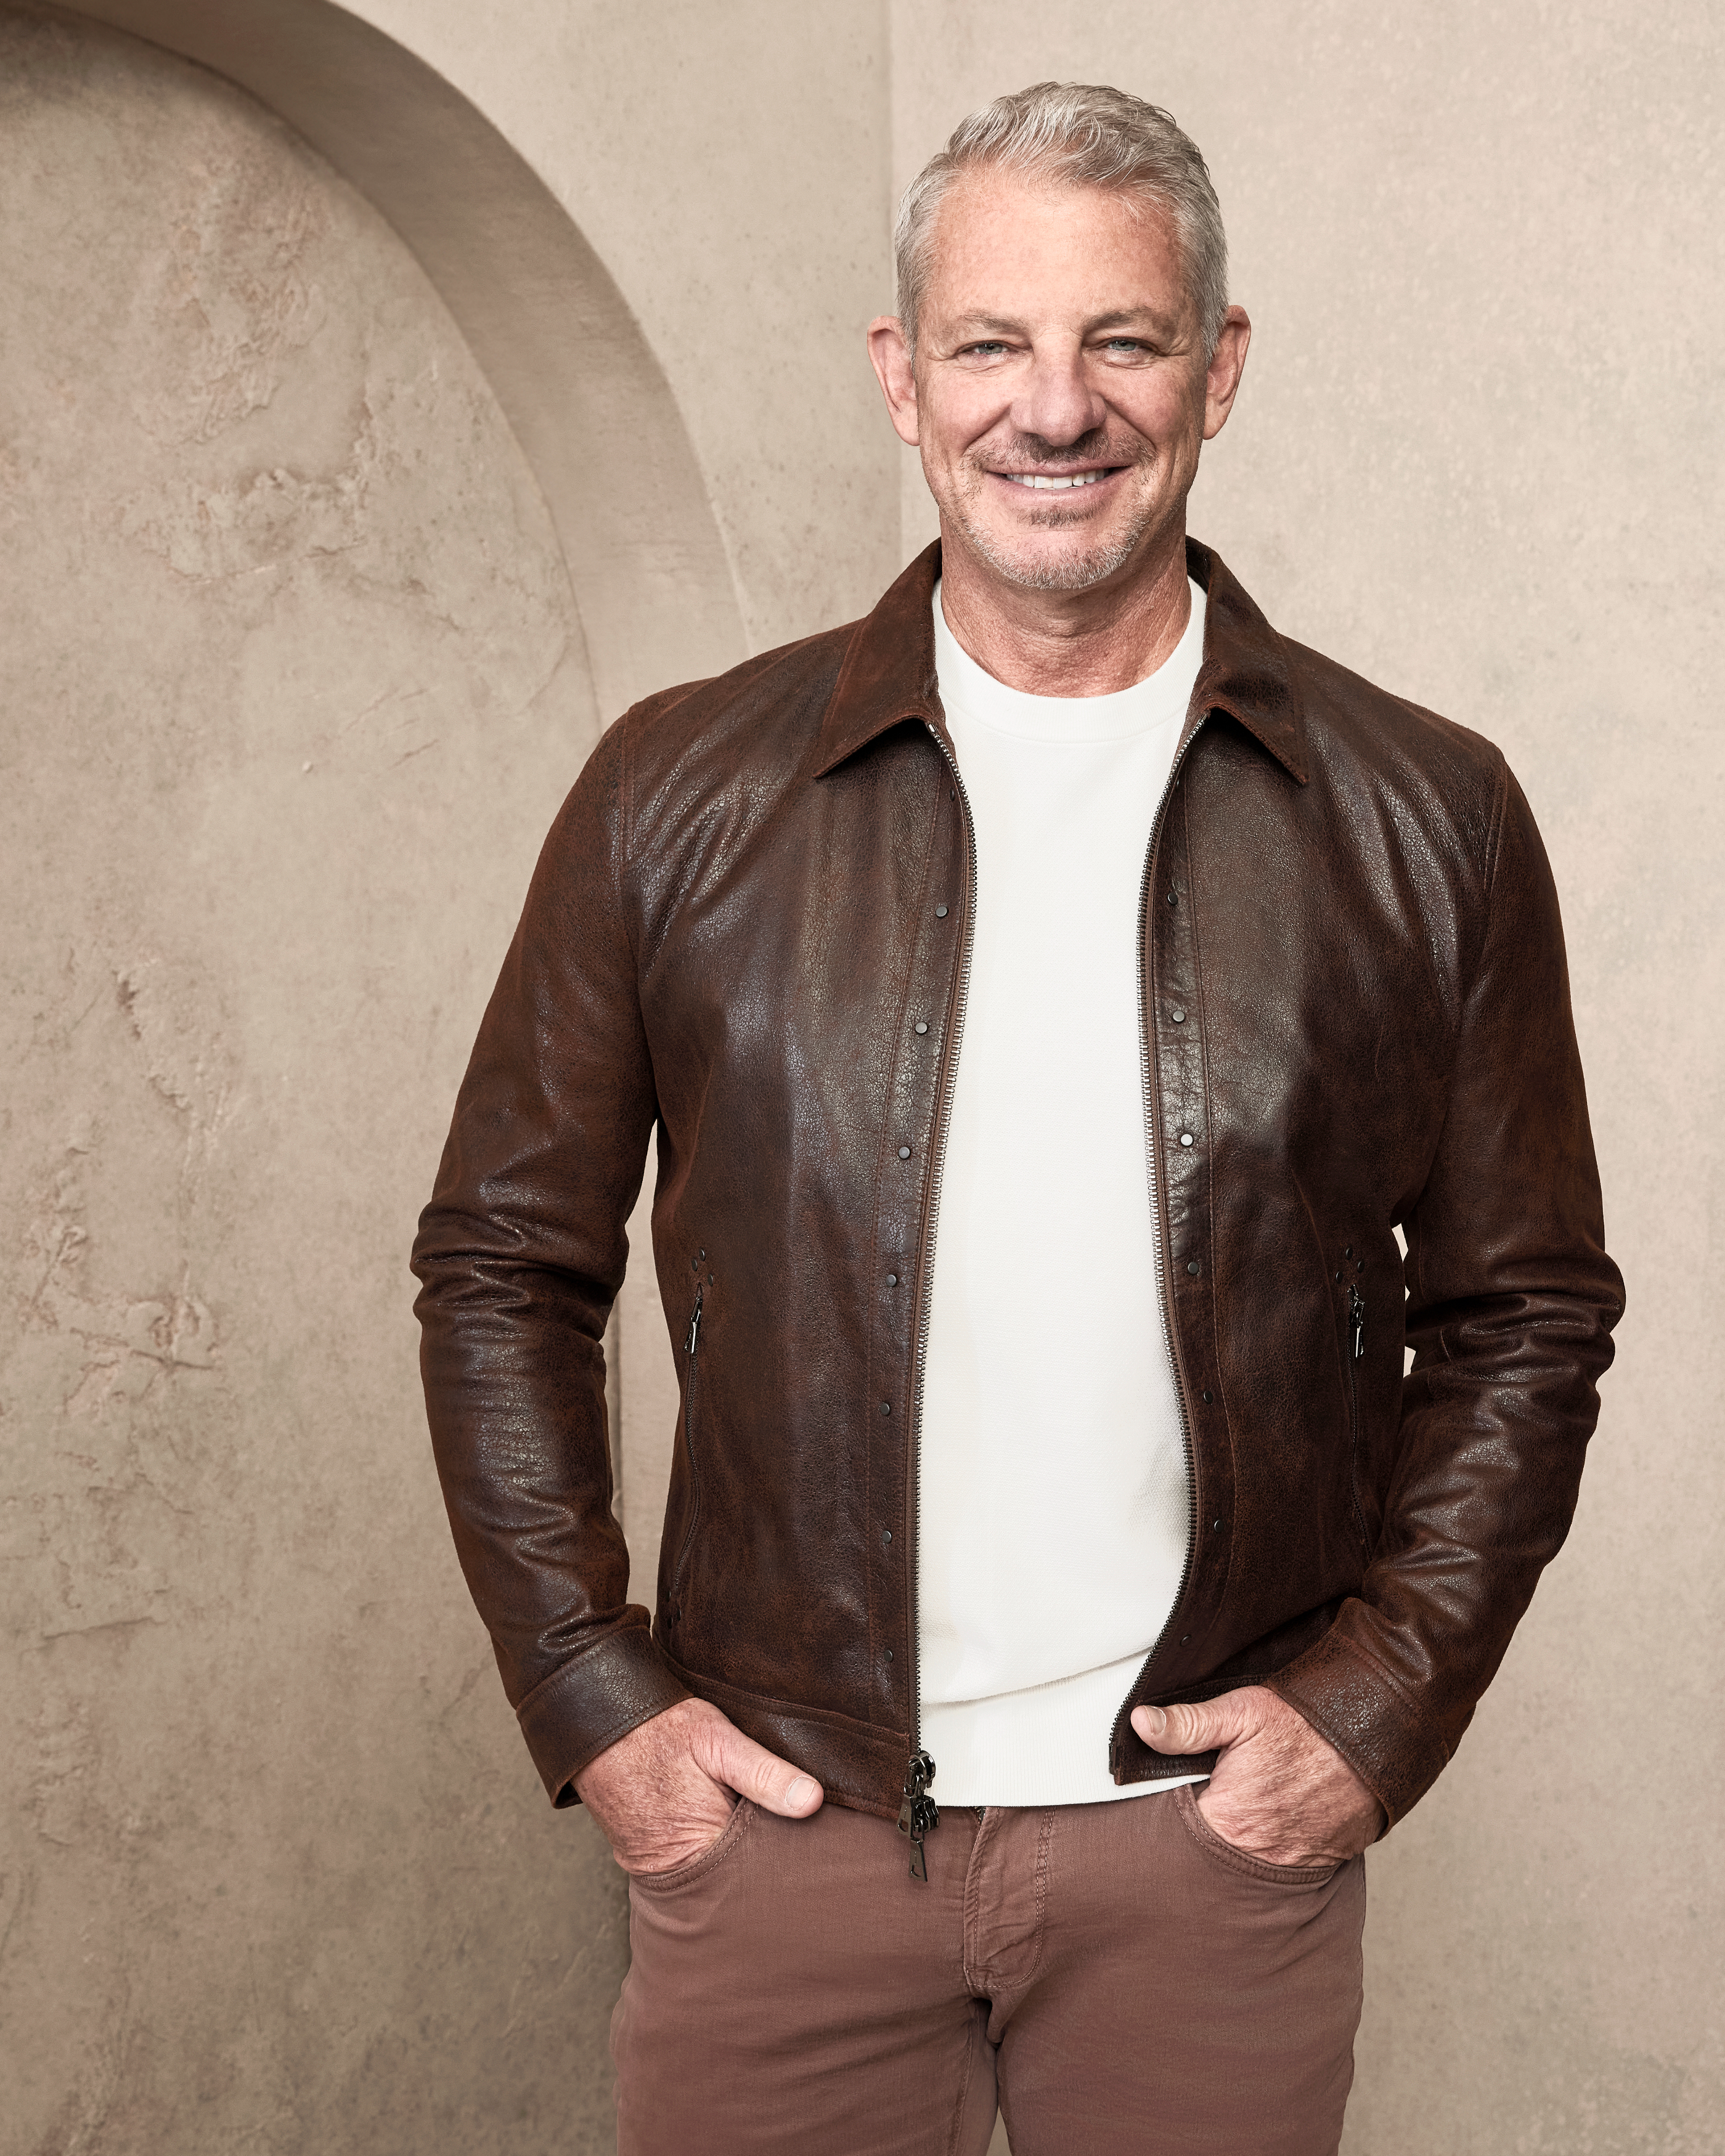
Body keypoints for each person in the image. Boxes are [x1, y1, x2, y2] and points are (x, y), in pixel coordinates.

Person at [412, 81, 1623, 2156]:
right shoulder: (681, 791)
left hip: (1202, 1859)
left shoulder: (1429, 816)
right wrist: (592, 1698)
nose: (1051, 409)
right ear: (903, 378)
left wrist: (1373, 1706)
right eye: (989, 344)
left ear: (1219, 368)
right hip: (782, 1836)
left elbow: (1524, 1311)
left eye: (1122, 341)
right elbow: (502, 1265)